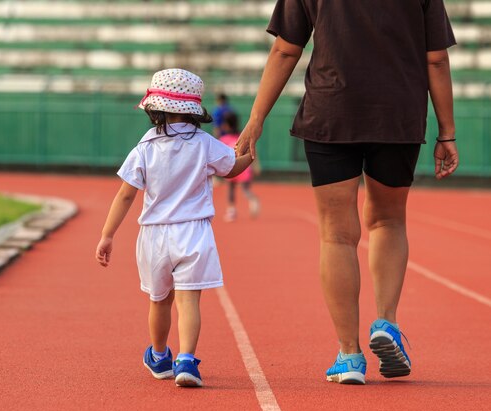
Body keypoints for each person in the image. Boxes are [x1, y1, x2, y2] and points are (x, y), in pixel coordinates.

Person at [235, 0, 458, 385]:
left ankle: (350, 354)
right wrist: (447, 132)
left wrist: (255, 121)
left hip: (330, 111)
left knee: (337, 235)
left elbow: (286, 48)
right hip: (397, 116)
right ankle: (386, 321)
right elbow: (435, 59)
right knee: (388, 220)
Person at [95, 68, 252, 388]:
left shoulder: (145, 147)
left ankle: (159, 354)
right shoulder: (204, 143)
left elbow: (126, 194)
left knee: (159, 299)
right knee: (189, 301)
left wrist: (107, 235)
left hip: (154, 235)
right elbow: (231, 168)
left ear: (155, 109)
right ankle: (186, 360)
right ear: (195, 110)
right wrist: (248, 157)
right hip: (194, 232)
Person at [218, 111, 261, 221]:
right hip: (243, 167)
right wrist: (256, 165)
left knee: (231, 190)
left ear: (226, 125)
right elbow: (252, 150)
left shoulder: (224, 139)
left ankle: (232, 211)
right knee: (244, 189)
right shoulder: (241, 137)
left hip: (232, 167)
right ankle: (251, 199)